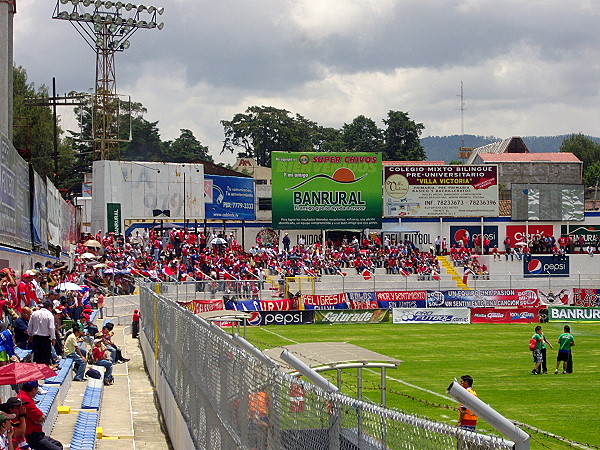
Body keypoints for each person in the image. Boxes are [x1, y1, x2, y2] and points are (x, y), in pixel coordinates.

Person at [17, 381, 63, 449]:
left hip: (36, 434)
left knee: (58, 445)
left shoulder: (23, 395)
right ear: (33, 389)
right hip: (32, 436)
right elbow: (41, 418)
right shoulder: (25, 400)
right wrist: (36, 420)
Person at [27, 301, 55, 366]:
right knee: (45, 358)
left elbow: (30, 325)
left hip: (36, 338)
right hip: (45, 339)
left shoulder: (34, 314)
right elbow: (51, 327)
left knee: (37, 359)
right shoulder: (49, 315)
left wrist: (30, 334)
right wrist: (53, 338)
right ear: (49, 307)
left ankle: (39, 373)